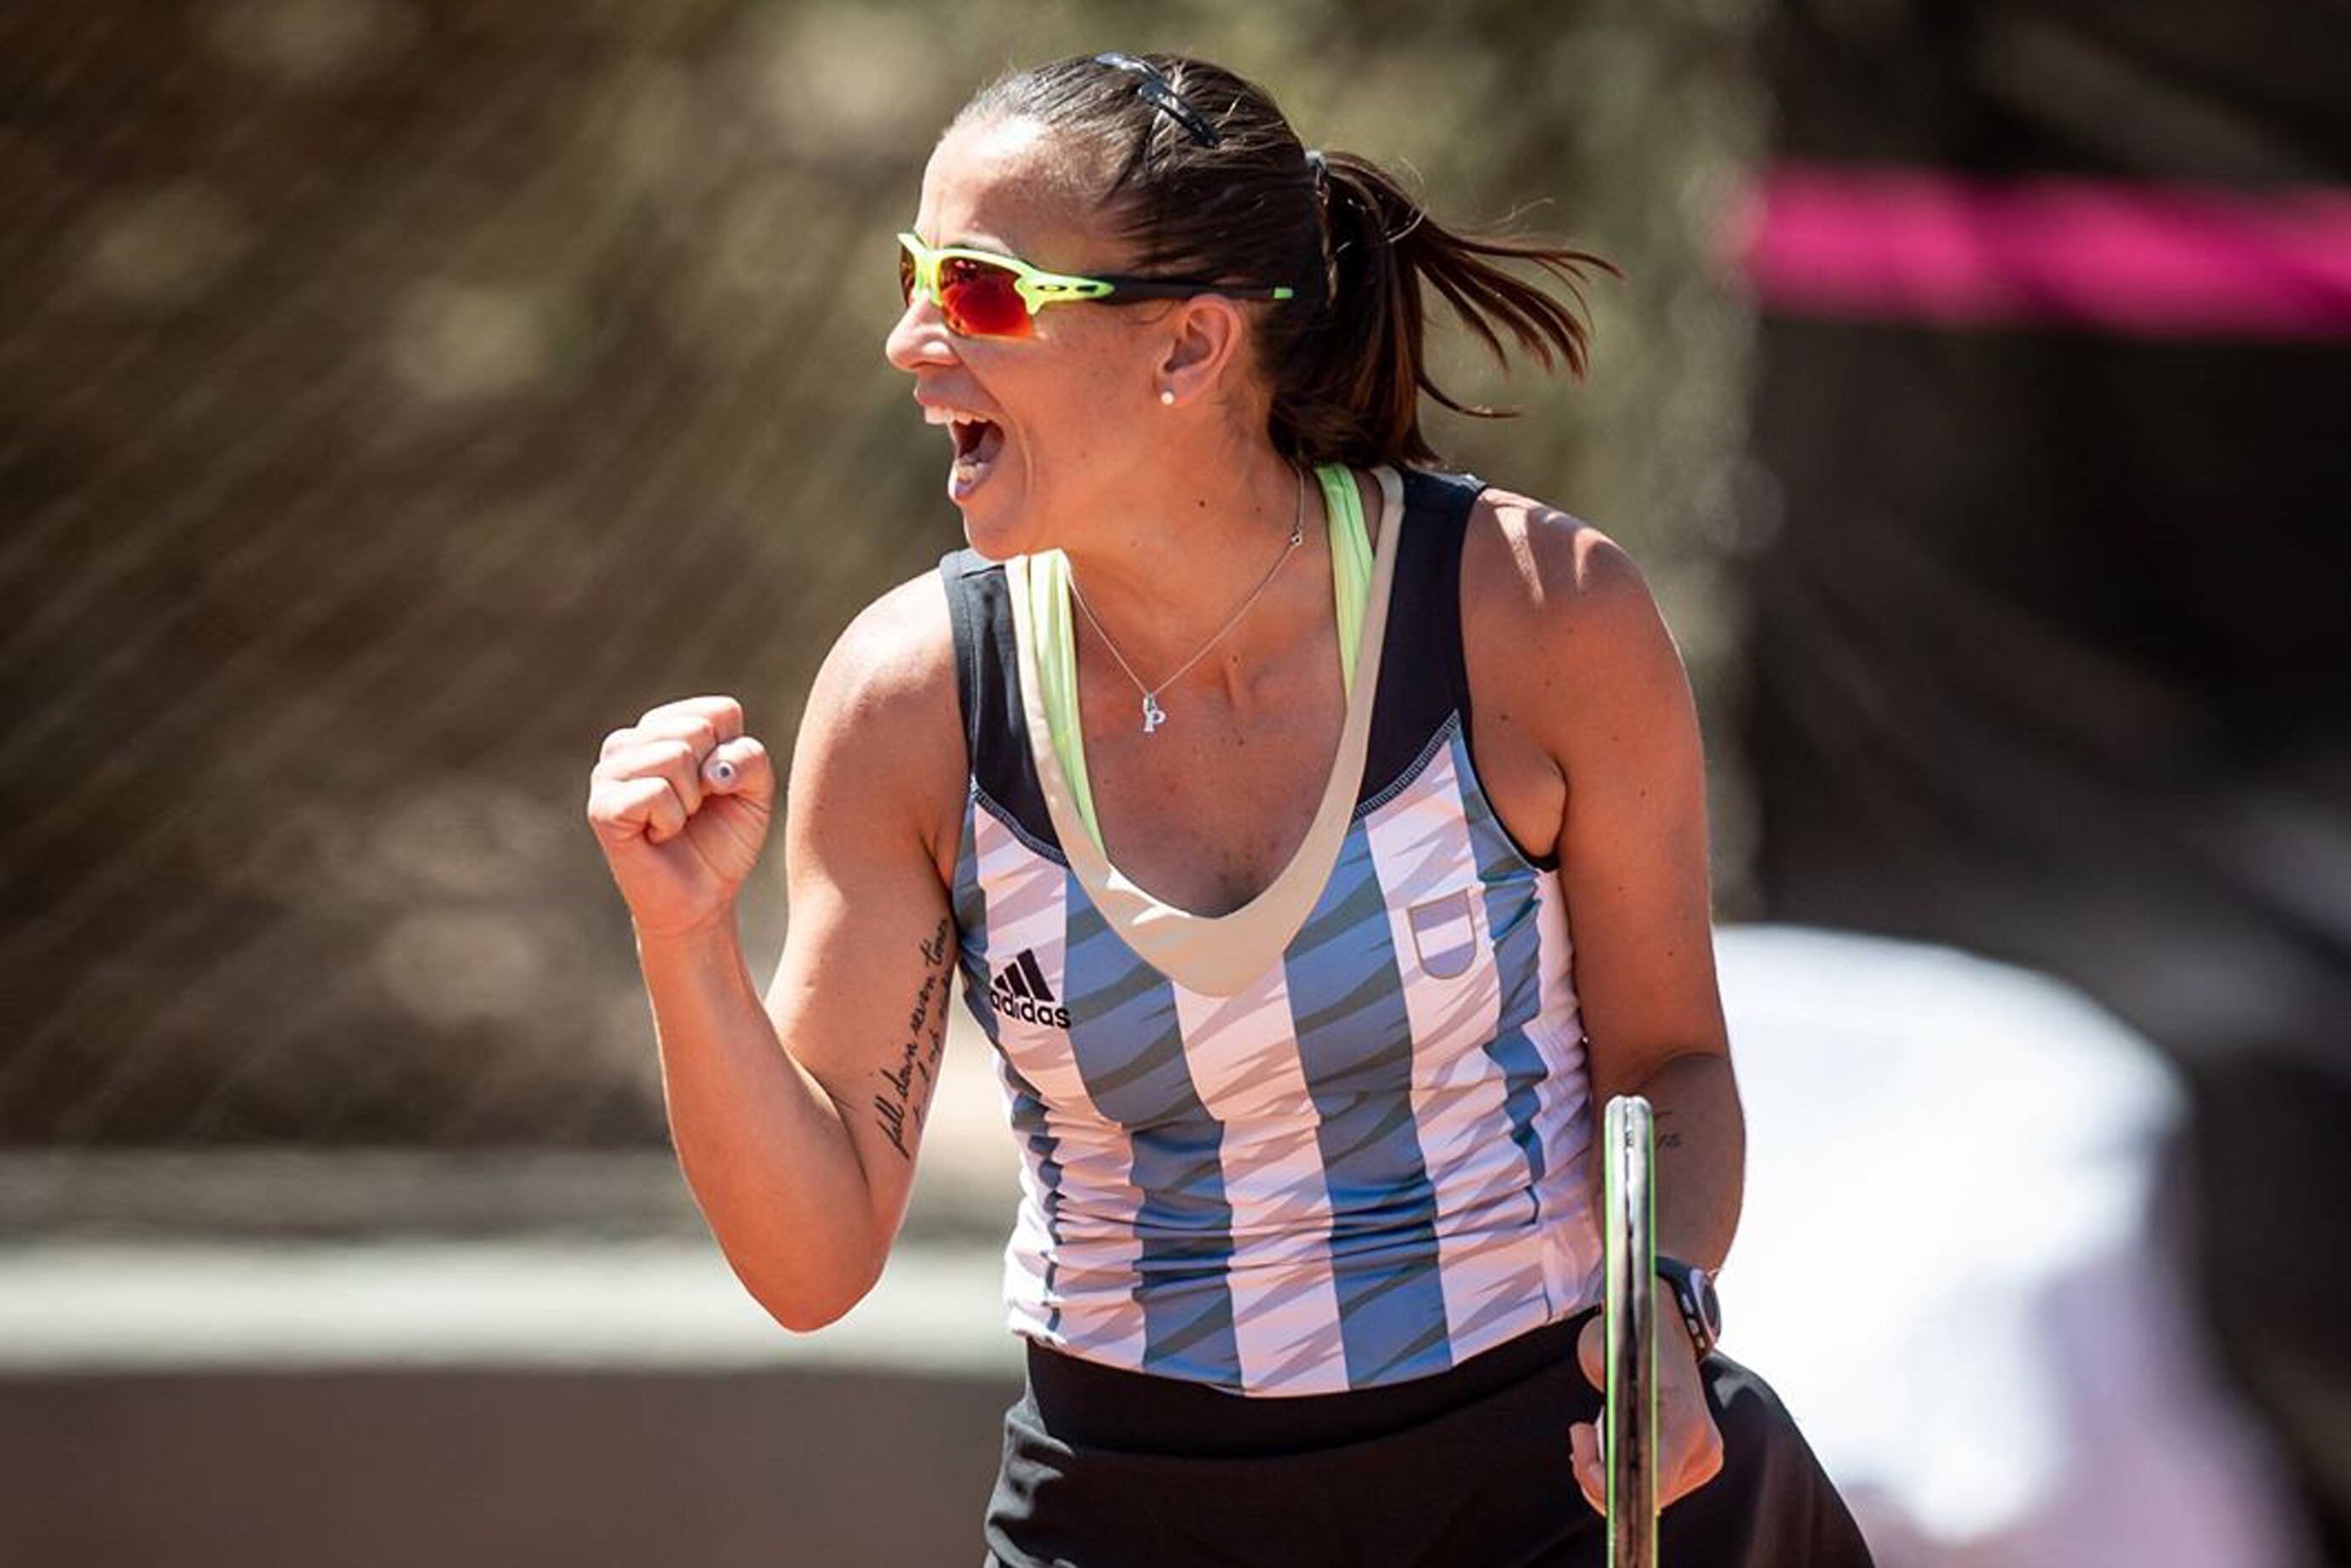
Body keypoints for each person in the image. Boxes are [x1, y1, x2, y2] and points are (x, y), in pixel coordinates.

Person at [586, 49, 1873, 1568]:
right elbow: (809, 1265)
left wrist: (1664, 1298)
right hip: (1124, 1506)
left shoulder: (1537, 613)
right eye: (916, 271)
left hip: (1552, 1490)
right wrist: (680, 934)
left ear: (1189, 345)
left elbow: (1669, 1062)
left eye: (984, 291)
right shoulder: (912, 697)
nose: (909, 337)